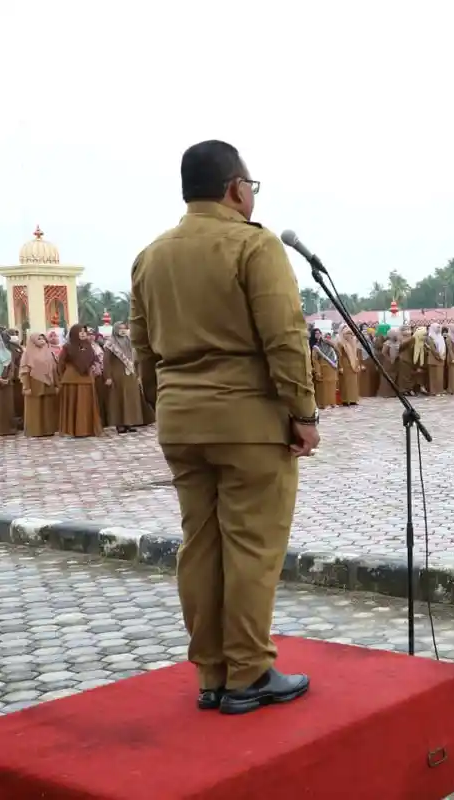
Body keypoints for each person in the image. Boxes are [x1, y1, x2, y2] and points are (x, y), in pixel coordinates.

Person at [129, 140, 317, 715]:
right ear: (237, 187)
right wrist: (303, 413)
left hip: (182, 425)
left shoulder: (151, 256)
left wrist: (169, 406)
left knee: (201, 544)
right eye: (251, 186)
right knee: (252, 546)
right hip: (249, 422)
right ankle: (250, 672)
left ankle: (211, 673)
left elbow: (142, 349)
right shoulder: (253, 245)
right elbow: (285, 336)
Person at [102, 321, 150, 432]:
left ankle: (130, 422)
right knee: (119, 399)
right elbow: (106, 361)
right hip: (118, 375)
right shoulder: (110, 343)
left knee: (131, 399)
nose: (123, 330)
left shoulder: (129, 342)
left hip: (131, 374)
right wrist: (108, 376)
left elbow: (136, 359)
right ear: (115, 330)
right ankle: (120, 424)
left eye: (124, 328)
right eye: (120, 328)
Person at [57, 324, 103, 437]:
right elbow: (61, 364)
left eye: (84, 331)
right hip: (72, 380)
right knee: (74, 406)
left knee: (86, 405)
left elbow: (94, 360)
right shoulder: (68, 347)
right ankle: (74, 430)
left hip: (87, 379)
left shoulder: (89, 346)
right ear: (74, 333)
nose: (83, 333)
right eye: (80, 331)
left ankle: (87, 429)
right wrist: (64, 376)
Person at [19, 332, 58, 437]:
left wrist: (57, 385)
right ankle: (34, 430)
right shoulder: (28, 353)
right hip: (34, 384)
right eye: (39, 338)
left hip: (48, 383)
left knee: (48, 407)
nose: (42, 340)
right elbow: (24, 371)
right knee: (35, 408)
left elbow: (54, 370)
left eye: (43, 338)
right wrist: (26, 387)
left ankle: (48, 430)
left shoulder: (49, 352)